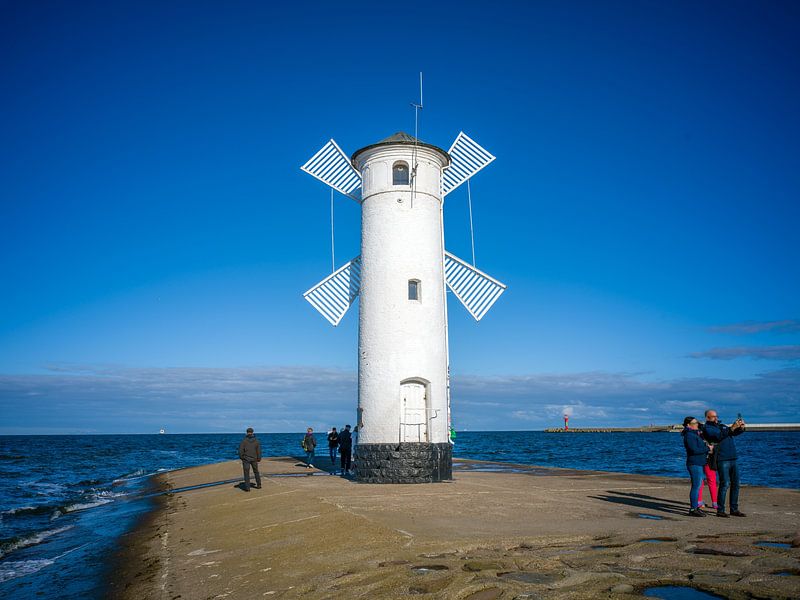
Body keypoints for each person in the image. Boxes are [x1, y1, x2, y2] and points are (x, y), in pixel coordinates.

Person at [702, 409, 746, 517]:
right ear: (707, 418)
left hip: (733, 457)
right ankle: (720, 510)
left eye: (716, 416)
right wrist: (732, 428)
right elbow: (719, 436)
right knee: (724, 484)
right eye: (713, 416)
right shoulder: (707, 428)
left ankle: (734, 509)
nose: (716, 418)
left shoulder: (722, 426)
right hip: (722, 459)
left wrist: (741, 427)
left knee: (736, 484)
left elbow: (733, 433)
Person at [682, 416, 709, 517]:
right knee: (696, 486)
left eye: (697, 423)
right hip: (694, 463)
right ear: (688, 425)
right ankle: (693, 509)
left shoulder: (695, 434)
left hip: (699, 463)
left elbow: (702, 428)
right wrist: (707, 448)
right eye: (694, 423)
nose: (697, 424)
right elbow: (694, 450)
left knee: (698, 486)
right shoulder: (689, 435)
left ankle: (696, 507)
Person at [238, 427, 261, 491]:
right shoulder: (256, 441)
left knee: (246, 473)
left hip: (246, 459)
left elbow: (240, 451)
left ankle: (247, 488)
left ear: (247, 432)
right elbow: (258, 451)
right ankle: (259, 485)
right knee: (256, 472)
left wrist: (242, 457)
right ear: (253, 432)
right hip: (254, 459)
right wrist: (259, 458)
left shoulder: (244, 441)